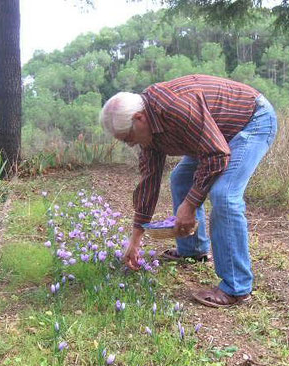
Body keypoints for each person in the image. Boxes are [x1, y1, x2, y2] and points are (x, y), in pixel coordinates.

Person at [99, 74, 277, 307]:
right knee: (181, 178)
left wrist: (189, 205)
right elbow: (149, 180)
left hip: (252, 121)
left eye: (128, 138)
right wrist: (135, 238)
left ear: (139, 118)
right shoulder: (149, 130)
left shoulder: (176, 108)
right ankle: (193, 250)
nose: (130, 144)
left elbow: (217, 155)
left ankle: (236, 288)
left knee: (224, 195)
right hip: (215, 134)